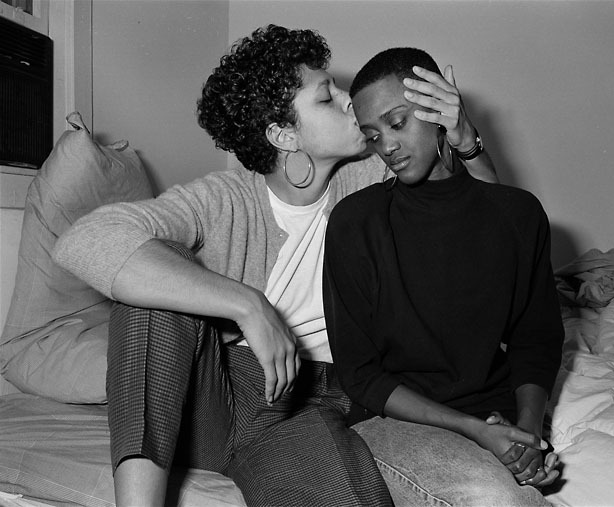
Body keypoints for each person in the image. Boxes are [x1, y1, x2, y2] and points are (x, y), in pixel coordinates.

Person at [52, 26, 503, 507]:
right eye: (328, 98)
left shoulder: (374, 174)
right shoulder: (223, 199)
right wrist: (250, 306)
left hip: (326, 406)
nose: (352, 102)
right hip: (226, 399)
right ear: (283, 134)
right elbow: (87, 240)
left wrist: (465, 139)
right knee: (149, 292)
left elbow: (493, 224)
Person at [323, 47, 565, 507]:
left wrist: (529, 433)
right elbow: (361, 376)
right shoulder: (357, 223)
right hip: (395, 421)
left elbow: (536, 339)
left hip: (496, 412)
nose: (387, 147)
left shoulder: (519, 213)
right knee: (504, 501)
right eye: (372, 135)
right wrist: (473, 432)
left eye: (397, 124)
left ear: (439, 112)